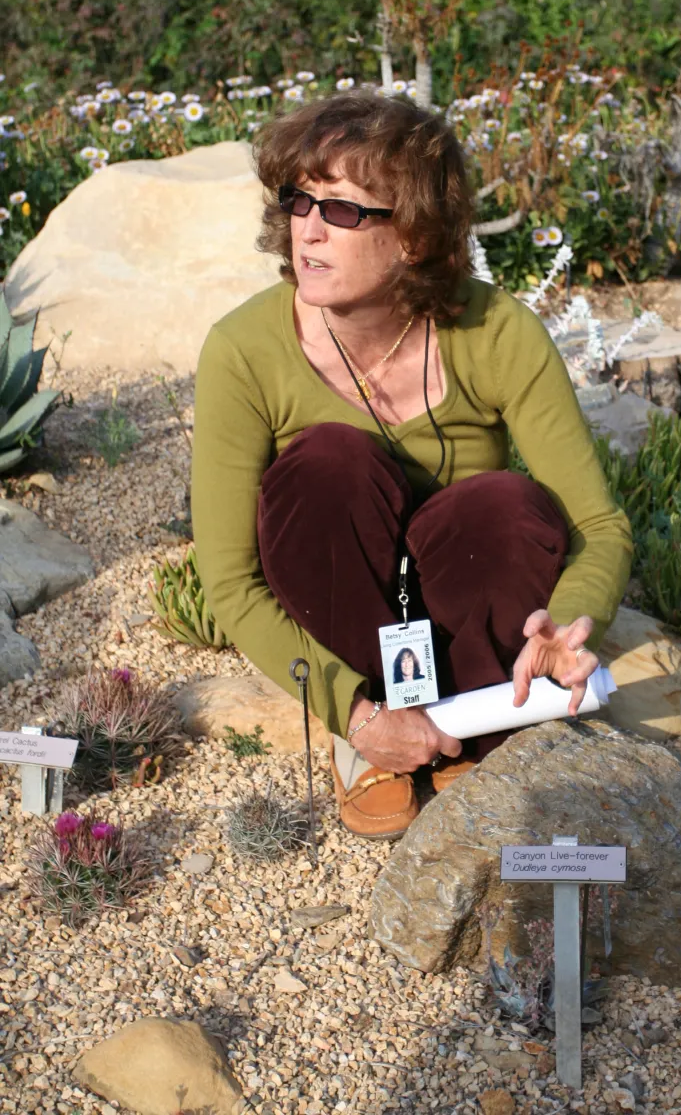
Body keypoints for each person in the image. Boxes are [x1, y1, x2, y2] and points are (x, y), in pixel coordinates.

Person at [192, 90, 633, 840]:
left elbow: (598, 523)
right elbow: (230, 580)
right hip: (343, 610)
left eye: (342, 210)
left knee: (506, 506)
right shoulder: (243, 349)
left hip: (459, 602)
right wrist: (352, 710)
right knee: (326, 463)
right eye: (299, 201)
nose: (308, 230)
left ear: (414, 236)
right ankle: (377, 737)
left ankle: (471, 718)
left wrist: (564, 623)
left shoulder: (495, 330)